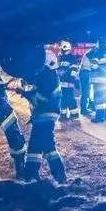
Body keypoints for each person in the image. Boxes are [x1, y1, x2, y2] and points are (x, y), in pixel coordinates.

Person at [17, 50, 68, 183]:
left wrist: (26, 94)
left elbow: (41, 97)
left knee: (43, 145)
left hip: (45, 115)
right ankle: (34, 173)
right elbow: (38, 92)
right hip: (43, 115)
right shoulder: (48, 75)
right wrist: (25, 91)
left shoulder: (47, 75)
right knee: (39, 145)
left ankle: (54, 174)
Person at [57, 41, 83, 125]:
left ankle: (74, 114)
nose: (61, 51)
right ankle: (63, 115)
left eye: (62, 49)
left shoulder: (71, 58)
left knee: (70, 98)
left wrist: (71, 80)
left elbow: (74, 70)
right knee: (62, 99)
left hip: (68, 82)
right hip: (61, 83)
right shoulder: (60, 58)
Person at [78, 44, 102, 117]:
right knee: (86, 92)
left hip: (85, 73)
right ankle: (84, 109)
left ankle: (87, 107)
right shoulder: (91, 54)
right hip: (85, 73)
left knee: (87, 92)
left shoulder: (89, 53)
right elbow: (94, 65)